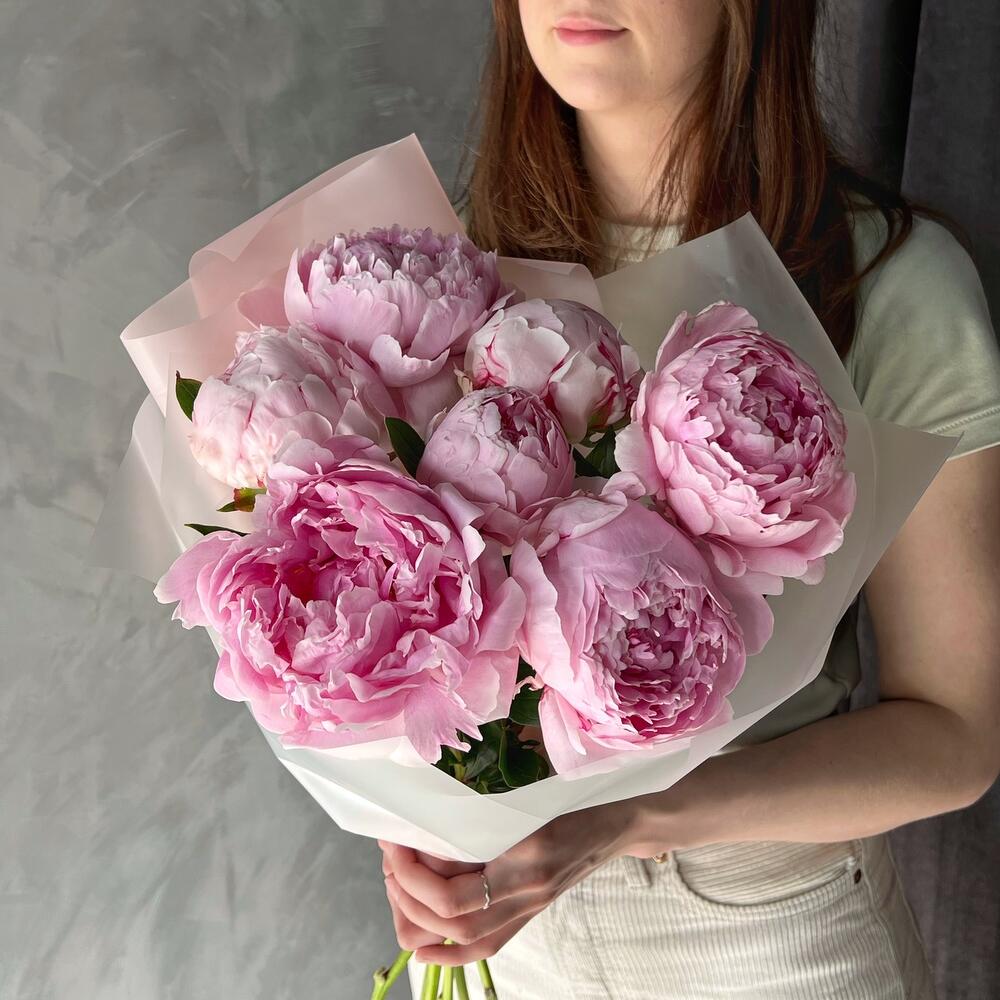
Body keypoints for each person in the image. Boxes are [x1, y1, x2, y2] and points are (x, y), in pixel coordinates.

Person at [382, 2, 1000, 997]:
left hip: (763, 944)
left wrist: (631, 816)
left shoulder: (886, 282)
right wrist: (422, 822)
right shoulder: (437, 280)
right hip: (506, 937)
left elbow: (955, 736)